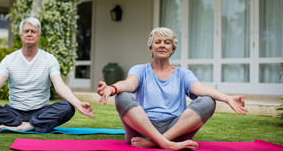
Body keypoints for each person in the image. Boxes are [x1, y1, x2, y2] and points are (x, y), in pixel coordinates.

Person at [97, 27, 248, 150]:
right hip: (142, 129)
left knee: (208, 101)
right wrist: (112, 88)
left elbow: (200, 88)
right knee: (122, 96)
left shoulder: (183, 74)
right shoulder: (140, 70)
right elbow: (129, 84)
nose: (162, 45)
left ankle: (157, 142)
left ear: (172, 49)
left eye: (167, 42)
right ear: (151, 47)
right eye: (158, 42)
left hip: (175, 129)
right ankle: (166, 143)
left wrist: (227, 98)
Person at [0, 17, 95, 133]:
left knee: (68, 107)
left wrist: (78, 103)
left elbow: (59, 85)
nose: (30, 34)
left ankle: (25, 126)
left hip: (41, 111)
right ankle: (32, 125)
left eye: (33, 31)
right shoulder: (9, 60)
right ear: (21, 35)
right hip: (14, 113)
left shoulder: (49, 59)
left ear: (38, 36)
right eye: (26, 31)